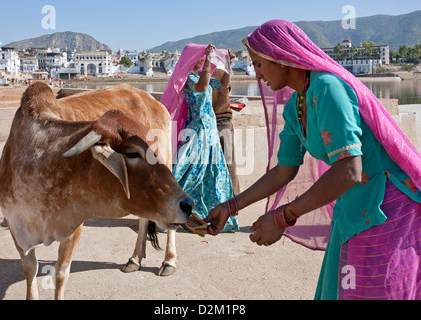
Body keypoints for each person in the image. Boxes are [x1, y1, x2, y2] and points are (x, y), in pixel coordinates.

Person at [205, 20, 421, 300]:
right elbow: (283, 171)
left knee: (376, 289)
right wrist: (230, 206)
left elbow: (348, 171)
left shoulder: (327, 88)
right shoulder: (298, 104)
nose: (257, 75)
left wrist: (283, 217)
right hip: (353, 205)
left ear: (281, 58)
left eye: (259, 64)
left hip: (386, 206)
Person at [161, 44, 239, 232]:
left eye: (202, 58)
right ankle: (166, 208)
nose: (201, 60)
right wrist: (209, 60)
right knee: (185, 169)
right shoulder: (187, 78)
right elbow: (202, 87)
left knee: (212, 172)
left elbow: (221, 85)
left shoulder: (198, 74)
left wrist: (228, 64)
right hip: (198, 130)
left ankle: (208, 212)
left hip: (210, 128)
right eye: (199, 57)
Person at [211, 50, 241, 196]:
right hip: (224, 122)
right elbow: (226, 88)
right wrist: (229, 64)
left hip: (209, 125)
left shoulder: (199, 76)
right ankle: (234, 200)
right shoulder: (222, 73)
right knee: (229, 164)